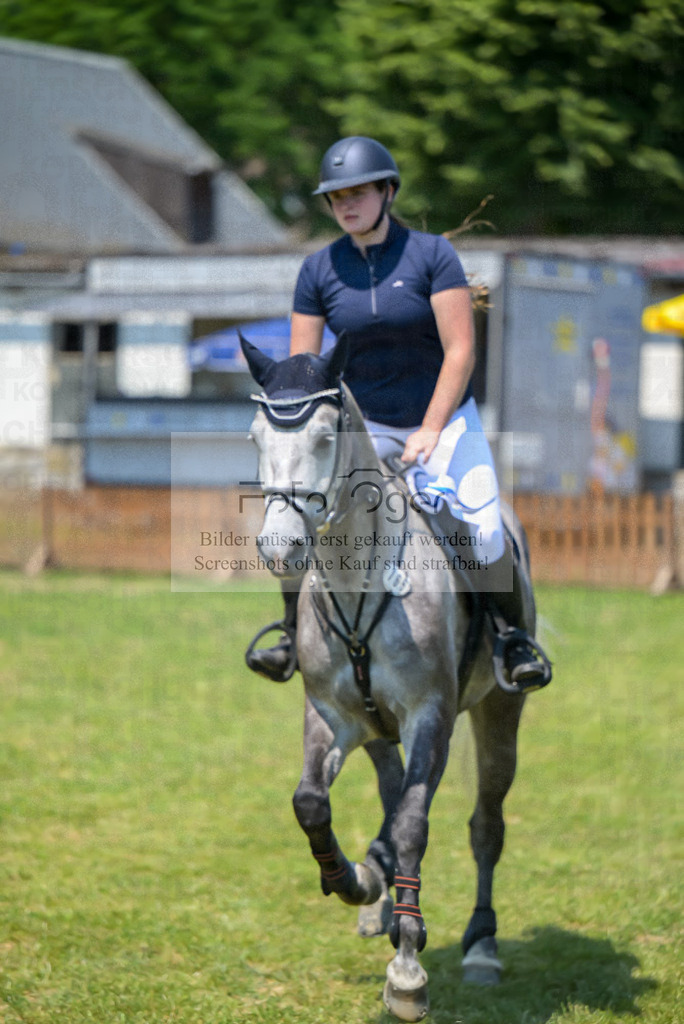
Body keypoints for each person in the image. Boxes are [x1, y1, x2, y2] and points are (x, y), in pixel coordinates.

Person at [246, 136, 551, 693]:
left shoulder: (432, 256)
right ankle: (291, 635)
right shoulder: (318, 270)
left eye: (358, 192)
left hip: (446, 422)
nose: (346, 204)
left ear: (388, 191)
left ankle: (511, 640)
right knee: (300, 514)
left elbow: (460, 349)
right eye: (336, 197)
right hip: (364, 429)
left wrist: (432, 429)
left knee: (481, 533)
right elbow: (303, 368)